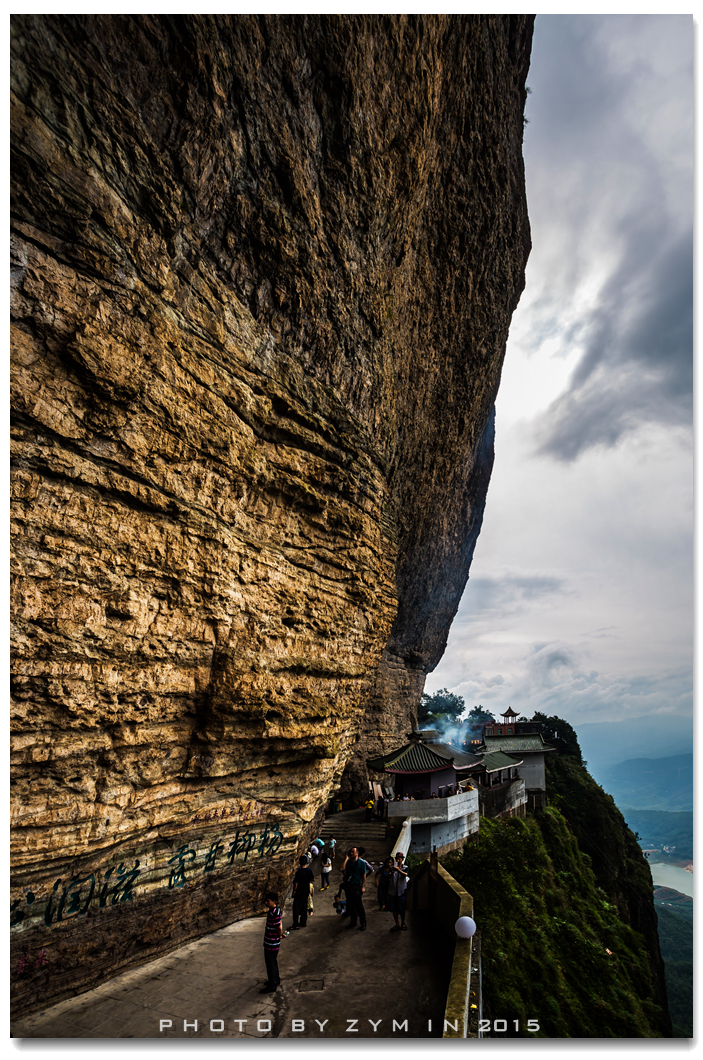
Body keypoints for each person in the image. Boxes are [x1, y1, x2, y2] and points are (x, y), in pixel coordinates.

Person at [342, 847, 371, 931]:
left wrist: (362, 886)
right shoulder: (349, 862)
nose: (351, 853)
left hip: (356, 886)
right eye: (350, 852)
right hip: (349, 885)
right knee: (350, 905)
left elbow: (364, 875)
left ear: (357, 853)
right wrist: (346, 859)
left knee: (359, 905)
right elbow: (342, 869)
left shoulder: (361, 863)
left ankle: (363, 922)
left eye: (353, 852)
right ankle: (353, 921)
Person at [261, 891, 284, 992]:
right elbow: (280, 923)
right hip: (274, 942)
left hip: (271, 943)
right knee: (273, 962)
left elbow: (278, 926)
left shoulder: (273, 913)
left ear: (273, 901)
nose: (266, 903)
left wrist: (280, 934)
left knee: (270, 964)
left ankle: (272, 984)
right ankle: (275, 979)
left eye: (268, 901)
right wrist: (280, 934)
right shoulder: (277, 910)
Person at [388, 852, 409, 932]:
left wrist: (398, 870)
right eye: (397, 859)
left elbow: (405, 875)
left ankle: (403, 922)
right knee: (394, 909)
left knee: (402, 908)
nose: (398, 860)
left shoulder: (405, 867)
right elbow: (388, 876)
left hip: (401, 891)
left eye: (400, 859)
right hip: (392, 891)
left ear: (402, 859)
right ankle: (397, 923)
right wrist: (392, 871)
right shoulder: (392, 867)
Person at [291, 856, 315, 929]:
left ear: (299, 862)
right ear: (307, 861)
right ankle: (303, 922)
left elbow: (296, 884)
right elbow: (312, 879)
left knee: (296, 908)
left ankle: (295, 924)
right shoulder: (309, 870)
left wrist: (293, 892)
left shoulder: (299, 872)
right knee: (304, 907)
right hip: (306, 891)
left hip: (299, 892)